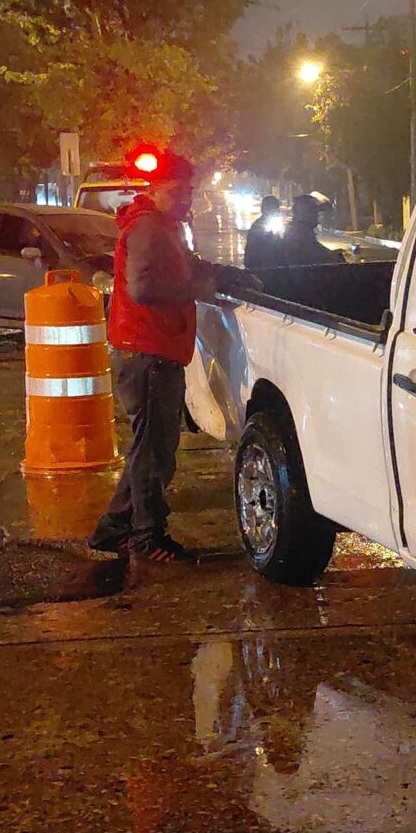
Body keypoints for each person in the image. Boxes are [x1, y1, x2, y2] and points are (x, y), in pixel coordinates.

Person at [87, 152, 256, 563]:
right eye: (176, 192)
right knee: (153, 452)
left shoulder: (165, 226)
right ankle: (148, 536)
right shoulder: (147, 228)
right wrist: (198, 290)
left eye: (189, 192)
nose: (185, 200)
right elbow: (143, 289)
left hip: (156, 350)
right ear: (154, 191)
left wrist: (220, 273)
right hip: (148, 352)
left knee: (152, 447)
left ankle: (113, 529)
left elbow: (186, 266)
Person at [245, 193, 340, 272]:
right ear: (303, 213)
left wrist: (333, 254)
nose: (317, 217)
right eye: (313, 212)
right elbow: (313, 255)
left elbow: (318, 250)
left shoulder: (302, 232)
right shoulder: (299, 234)